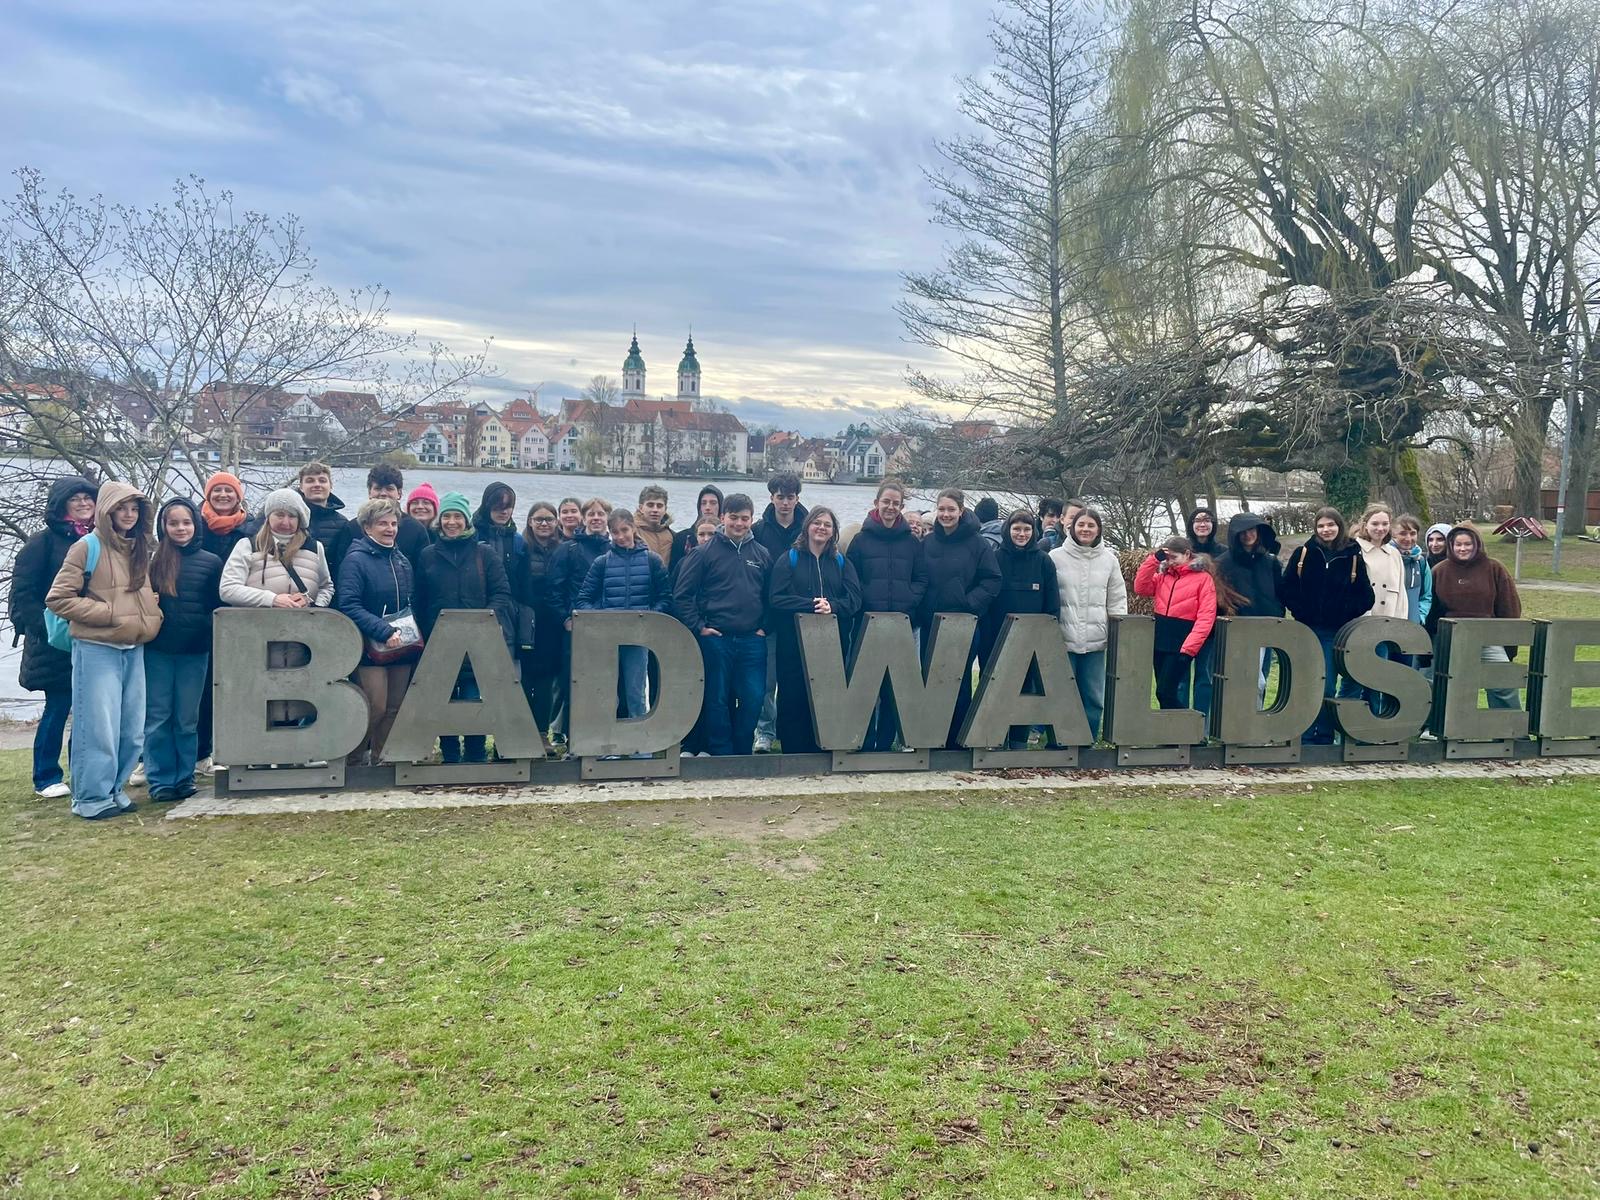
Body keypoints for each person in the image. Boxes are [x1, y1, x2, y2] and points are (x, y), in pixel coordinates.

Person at [45, 482, 162, 819]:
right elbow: (58, 598)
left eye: (134, 508)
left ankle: (114, 788)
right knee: (97, 727)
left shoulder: (139, 548)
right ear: (107, 510)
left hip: (133, 646)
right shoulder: (87, 546)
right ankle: (91, 797)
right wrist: (109, 614)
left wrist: (151, 616)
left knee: (131, 728)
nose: (128, 514)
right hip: (97, 648)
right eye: (121, 508)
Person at [9, 476, 98, 799]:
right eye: (76, 499)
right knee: (58, 707)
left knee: (90, 711)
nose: (84, 504)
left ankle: (83, 769)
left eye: (88, 498)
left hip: (91, 638)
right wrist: (48, 629)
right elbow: (22, 595)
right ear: (61, 504)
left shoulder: (100, 540)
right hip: (53, 642)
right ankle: (45, 775)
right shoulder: (42, 543)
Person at [219, 489, 336, 732]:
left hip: (301, 640)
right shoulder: (247, 546)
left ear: (300, 519)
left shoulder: (316, 549)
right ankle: (258, 757)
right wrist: (272, 599)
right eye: (279, 515)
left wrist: (313, 605)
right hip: (256, 639)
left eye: (291, 516)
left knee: (297, 697)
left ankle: (293, 756)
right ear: (268, 517)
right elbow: (227, 589)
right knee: (258, 698)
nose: (285, 522)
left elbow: (327, 586)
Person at [417, 492, 516, 764]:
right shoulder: (427, 555)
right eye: (446, 516)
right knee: (443, 698)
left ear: (466, 520)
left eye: (457, 516)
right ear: (440, 520)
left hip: (478, 642)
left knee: (475, 699)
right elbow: (420, 598)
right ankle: (450, 754)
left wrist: (483, 621)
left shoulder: (485, 554)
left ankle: (474, 753)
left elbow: (502, 593)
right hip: (440, 640)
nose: (451, 522)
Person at [672, 493, 770, 756]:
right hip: (716, 638)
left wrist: (765, 627)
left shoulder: (761, 554)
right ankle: (721, 752)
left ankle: (741, 751)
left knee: (753, 698)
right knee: (717, 699)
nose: (739, 523)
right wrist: (699, 626)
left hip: (752, 640)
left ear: (752, 519)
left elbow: (771, 596)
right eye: (734, 517)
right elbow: (682, 595)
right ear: (723, 517)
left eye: (745, 518)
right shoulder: (703, 553)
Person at [142, 498, 223, 802]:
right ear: (163, 526)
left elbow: (217, 608)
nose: (180, 528)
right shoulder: (151, 561)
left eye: (186, 522)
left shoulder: (211, 562)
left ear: (195, 524)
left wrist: (201, 626)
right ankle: (160, 779)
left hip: (195, 651)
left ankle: (184, 776)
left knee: (187, 719)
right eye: (173, 523)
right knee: (159, 717)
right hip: (158, 651)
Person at [766, 507, 861, 754]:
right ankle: (793, 749)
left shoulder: (840, 562)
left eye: (827, 525)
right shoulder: (790, 559)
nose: (821, 528)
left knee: (825, 695)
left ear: (833, 532)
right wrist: (810, 604)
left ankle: (822, 745)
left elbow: (854, 600)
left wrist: (833, 606)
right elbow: (776, 598)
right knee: (792, 694)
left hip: (831, 644)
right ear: (807, 527)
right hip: (793, 643)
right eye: (817, 523)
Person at [1278, 507, 1376, 743]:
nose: (1326, 530)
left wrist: (1343, 612)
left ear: (1339, 526)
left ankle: (1322, 734)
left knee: (1327, 684)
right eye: (1321, 526)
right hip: (1308, 628)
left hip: (1337, 631)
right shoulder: (1304, 553)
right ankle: (1308, 733)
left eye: (1331, 525)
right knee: (1311, 682)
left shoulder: (1353, 555)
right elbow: (1286, 588)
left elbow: (1366, 596)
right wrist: (1301, 611)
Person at [845, 480, 929, 752]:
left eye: (896, 503)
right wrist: (867, 601)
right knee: (865, 686)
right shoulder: (861, 540)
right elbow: (852, 579)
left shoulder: (912, 542)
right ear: (876, 504)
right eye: (886, 502)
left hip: (901, 624)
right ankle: (864, 741)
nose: (890, 507)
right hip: (869, 624)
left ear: (902, 507)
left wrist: (909, 601)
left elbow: (921, 578)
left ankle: (885, 743)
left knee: (895, 687)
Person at [576, 510, 672, 747]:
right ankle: (610, 745)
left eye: (624, 530)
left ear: (633, 529)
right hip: (607, 640)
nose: (620, 537)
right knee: (608, 695)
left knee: (635, 694)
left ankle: (641, 747)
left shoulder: (652, 560)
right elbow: (583, 599)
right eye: (615, 532)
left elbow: (665, 597)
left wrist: (650, 616)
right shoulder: (602, 562)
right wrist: (601, 619)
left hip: (638, 639)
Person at [337, 498, 419, 765]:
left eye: (394, 523)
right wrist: (382, 630)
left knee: (395, 707)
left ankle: (382, 757)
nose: (390, 529)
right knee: (375, 705)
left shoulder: (401, 558)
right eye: (382, 523)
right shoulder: (355, 560)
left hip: (401, 642)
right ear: (367, 527)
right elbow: (349, 603)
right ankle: (352, 756)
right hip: (369, 646)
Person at [920, 488, 1001, 748]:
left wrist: (969, 605)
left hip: (965, 622)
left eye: (951, 510)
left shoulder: (978, 544)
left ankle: (957, 739)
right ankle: (931, 737)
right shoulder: (928, 542)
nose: (946, 514)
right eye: (941, 509)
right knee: (930, 678)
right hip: (932, 622)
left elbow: (992, 580)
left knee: (960, 680)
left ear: (961, 511)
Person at [980, 508, 1061, 749]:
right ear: (1008, 530)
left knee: (1024, 690)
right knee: (994, 688)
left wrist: (1048, 631)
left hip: (1031, 639)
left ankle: (1017, 741)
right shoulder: (995, 557)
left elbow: (1052, 600)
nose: (1021, 534)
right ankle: (992, 738)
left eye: (1026, 529)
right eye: (1017, 529)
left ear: (1033, 532)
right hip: (996, 636)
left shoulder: (1044, 561)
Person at [1051, 505, 1126, 741]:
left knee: (1093, 696)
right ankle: (1059, 741)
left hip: (1096, 641)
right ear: (1071, 528)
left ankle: (1087, 741)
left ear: (1099, 530)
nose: (1085, 529)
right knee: (1061, 694)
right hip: (1062, 639)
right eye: (1081, 524)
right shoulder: (1054, 557)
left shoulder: (1110, 560)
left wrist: (1116, 632)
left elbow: (1117, 599)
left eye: (1090, 525)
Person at [194, 471, 251, 775]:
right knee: (203, 689)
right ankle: (201, 752)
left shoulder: (250, 529)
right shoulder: (194, 527)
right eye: (217, 491)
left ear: (238, 496)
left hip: (239, 619)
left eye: (230, 491)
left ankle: (235, 748)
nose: (223, 496)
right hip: (201, 616)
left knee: (239, 687)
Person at [1431, 525, 1523, 709]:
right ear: (1451, 545)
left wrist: (1509, 644)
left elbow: (1509, 607)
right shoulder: (1439, 571)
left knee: (1503, 683)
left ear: (1477, 544)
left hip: (1487, 638)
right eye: (1458, 544)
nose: (1463, 549)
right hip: (1450, 638)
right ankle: (1440, 728)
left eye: (1468, 544)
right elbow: (1432, 610)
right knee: (1445, 684)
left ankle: (1507, 729)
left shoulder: (1494, 568)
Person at [548, 498, 614, 745]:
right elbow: (554, 589)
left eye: (601, 513)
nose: (596, 518)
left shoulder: (614, 547)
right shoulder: (568, 549)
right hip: (576, 626)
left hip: (609, 627)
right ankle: (565, 732)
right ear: (584, 518)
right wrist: (565, 618)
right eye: (591, 514)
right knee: (571, 680)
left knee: (605, 681)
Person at [750, 473, 808, 753]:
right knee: (767, 681)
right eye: (780, 497)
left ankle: (791, 730)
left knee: (796, 679)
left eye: (790, 497)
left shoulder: (809, 529)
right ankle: (765, 732)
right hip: (769, 617)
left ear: (798, 498)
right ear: (772, 497)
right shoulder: (759, 530)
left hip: (802, 616)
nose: (786, 503)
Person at [1134, 537, 1219, 711]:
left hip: (1182, 643)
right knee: (1162, 693)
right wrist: (1153, 560)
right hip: (1160, 641)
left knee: (1166, 692)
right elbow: (1140, 587)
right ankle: (1172, 735)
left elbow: (1206, 616)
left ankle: (1189, 730)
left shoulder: (1203, 579)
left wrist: (1189, 648)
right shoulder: (1164, 577)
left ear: (1187, 554)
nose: (1170, 562)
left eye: (1174, 557)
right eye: (1167, 558)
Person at [1217, 512, 1285, 703]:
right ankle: (1239, 722)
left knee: (1260, 679)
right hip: (1238, 629)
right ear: (1236, 536)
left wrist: (1277, 613)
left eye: (1252, 530)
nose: (1248, 536)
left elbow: (1281, 592)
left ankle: (1257, 718)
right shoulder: (1224, 563)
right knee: (1242, 680)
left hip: (1267, 626)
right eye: (1243, 532)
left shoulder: (1270, 562)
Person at [517, 501, 566, 750]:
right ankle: (521, 733)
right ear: (530, 521)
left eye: (549, 519)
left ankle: (541, 733)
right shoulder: (521, 548)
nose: (544, 524)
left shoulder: (564, 549)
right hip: (526, 621)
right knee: (524, 680)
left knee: (546, 683)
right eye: (539, 519)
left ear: (556, 522)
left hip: (552, 624)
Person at [332, 465, 431, 572]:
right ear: (369, 492)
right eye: (378, 488)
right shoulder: (353, 527)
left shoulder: (416, 530)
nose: (383, 494)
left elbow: (422, 574)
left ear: (399, 493)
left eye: (389, 489)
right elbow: (341, 569)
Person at [1394, 514, 1433, 669]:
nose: (1408, 538)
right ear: (1393, 534)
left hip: (1410, 629)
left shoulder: (1421, 561)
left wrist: (1419, 616)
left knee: (1405, 674)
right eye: (1403, 533)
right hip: (1386, 626)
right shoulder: (1387, 557)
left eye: (1412, 533)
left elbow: (1426, 594)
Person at [474, 481, 525, 587]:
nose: (504, 512)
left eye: (508, 506)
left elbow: (525, 583)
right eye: (499, 506)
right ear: (487, 506)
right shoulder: (472, 536)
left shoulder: (518, 541)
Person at [672, 485, 723, 572]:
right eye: (703, 503)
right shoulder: (682, 538)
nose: (707, 508)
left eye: (713, 503)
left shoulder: (729, 538)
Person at [634, 484, 675, 566]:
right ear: (641, 508)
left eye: (659, 506)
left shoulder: (672, 535)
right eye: (650, 505)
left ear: (665, 509)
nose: (655, 510)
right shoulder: (632, 532)